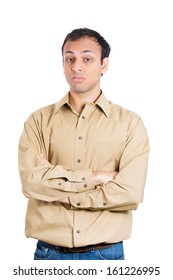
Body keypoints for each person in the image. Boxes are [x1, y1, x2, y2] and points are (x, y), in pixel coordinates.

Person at [18, 27, 150, 260]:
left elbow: (129, 192)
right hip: (49, 255)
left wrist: (64, 194)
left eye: (87, 59)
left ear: (104, 65)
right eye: (70, 58)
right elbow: (32, 183)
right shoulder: (38, 121)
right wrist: (96, 177)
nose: (76, 66)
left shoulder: (130, 124)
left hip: (105, 255)